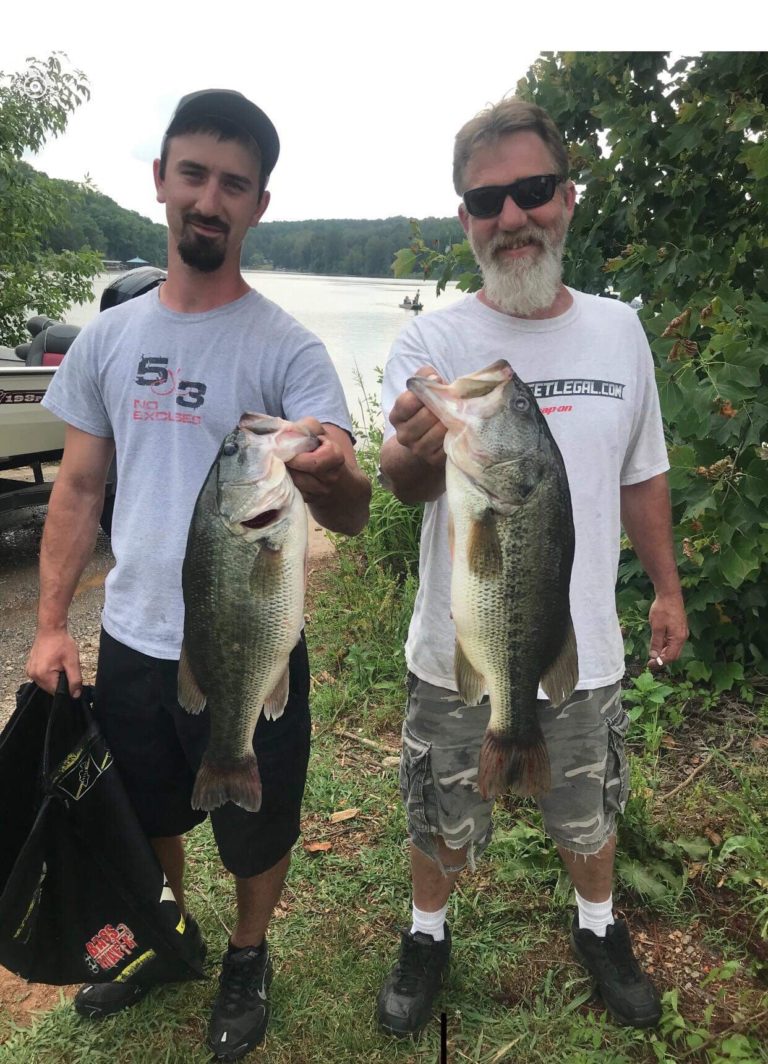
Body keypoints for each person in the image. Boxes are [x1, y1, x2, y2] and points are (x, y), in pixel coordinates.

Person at [26, 88, 371, 1060]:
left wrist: (337, 472)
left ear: (259, 203)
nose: (209, 199)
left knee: (258, 821)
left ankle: (248, 954)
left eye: (234, 183)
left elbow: (348, 502)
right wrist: (51, 623)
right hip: (135, 637)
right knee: (147, 810)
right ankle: (169, 936)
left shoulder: (289, 349)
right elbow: (78, 488)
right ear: (162, 183)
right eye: (194, 175)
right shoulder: (109, 338)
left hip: (255, 639)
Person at [377, 96, 688, 1038]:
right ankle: (428, 932)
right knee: (439, 811)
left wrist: (668, 587)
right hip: (456, 643)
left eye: (533, 190)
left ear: (568, 197)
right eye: (487, 201)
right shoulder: (434, 344)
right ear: (466, 219)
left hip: (583, 645)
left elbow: (645, 474)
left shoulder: (619, 328)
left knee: (588, 810)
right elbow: (399, 478)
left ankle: (598, 924)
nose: (512, 216)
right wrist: (417, 448)